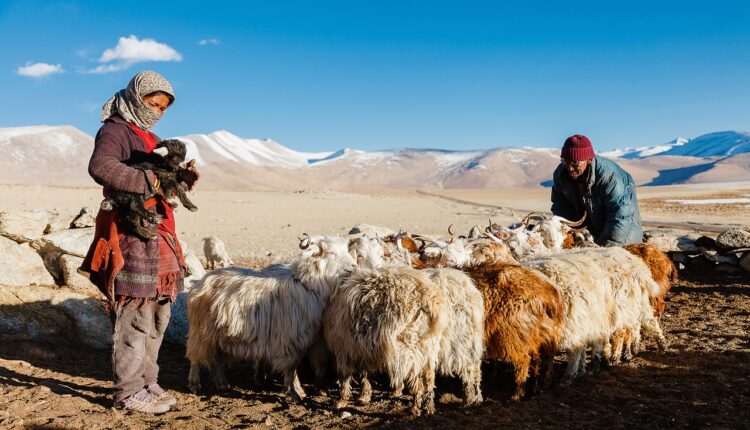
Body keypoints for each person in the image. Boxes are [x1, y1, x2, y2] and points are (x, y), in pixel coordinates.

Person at [80, 70, 199, 413]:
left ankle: (149, 381)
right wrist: (150, 182)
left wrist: (183, 179)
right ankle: (128, 391)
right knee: (136, 313)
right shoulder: (115, 130)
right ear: (135, 96)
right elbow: (101, 166)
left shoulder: (150, 137)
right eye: (153, 102)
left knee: (159, 313)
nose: (158, 111)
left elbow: (162, 182)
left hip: (160, 232)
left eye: (163, 107)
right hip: (132, 232)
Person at [550, 134, 642, 246]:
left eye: (575, 163)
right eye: (565, 161)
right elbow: (561, 209)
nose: (569, 167)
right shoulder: (561, 175)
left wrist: (603, 248)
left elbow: (620, 216)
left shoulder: (608, 176)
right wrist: (572, 236)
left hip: (624, 228)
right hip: (593, 226)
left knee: (621, 254)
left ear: (589, 160)